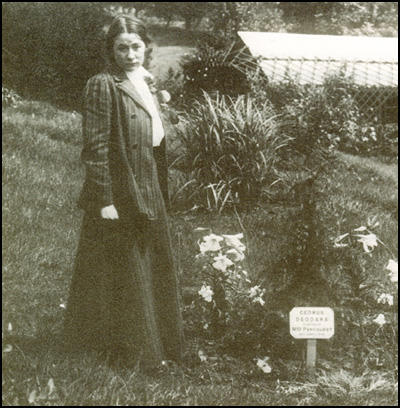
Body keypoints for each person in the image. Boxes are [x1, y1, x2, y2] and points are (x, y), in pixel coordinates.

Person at [63, 15, 183, 368]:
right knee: (127, 270)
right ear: (110, 51)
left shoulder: (144, 81)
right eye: (121, 48)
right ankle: (135, 352)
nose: (130, 54)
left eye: (136, 47)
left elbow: (157, 133)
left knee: (154, 266)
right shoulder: (103, 84)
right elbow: (96, 147)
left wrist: (159, 97)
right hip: (124, 188)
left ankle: (161, 345)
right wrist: (104, 201)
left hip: (150, 184)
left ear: (146, 48)